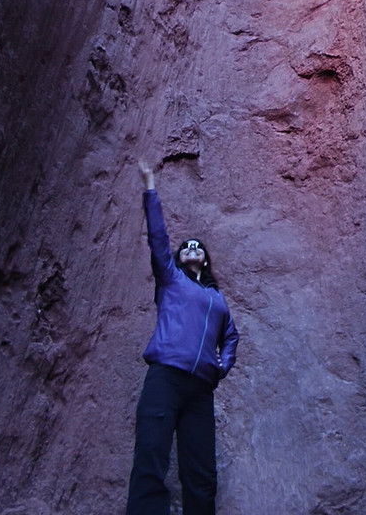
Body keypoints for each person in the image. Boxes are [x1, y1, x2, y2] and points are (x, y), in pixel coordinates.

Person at [126, 162, 239, 515]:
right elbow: (158, 239)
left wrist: (222, 365)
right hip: (166, 377)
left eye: (198, 247)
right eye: (186, 247)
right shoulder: (171, 280)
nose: (192, 248)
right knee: (150, 457)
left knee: (201, 473)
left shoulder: (217, 300)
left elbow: (232, 336)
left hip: (200, 390)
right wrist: (150, 187)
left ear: (205, 260)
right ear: (178, 257)